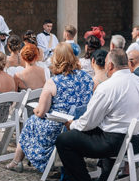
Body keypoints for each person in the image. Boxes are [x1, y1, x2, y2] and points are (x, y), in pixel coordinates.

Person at [54, 49, 139, 181]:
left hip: (118, 143)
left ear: (111, 65)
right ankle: (104, 178)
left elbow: (88, 122)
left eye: (106, 64)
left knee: (64, 140)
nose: (105, 67)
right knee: (106, 127)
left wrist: (72, 124)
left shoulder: (108, 87)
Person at [10, 43, 94, 172]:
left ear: (57, 59)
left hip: (59, 128)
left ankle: (16, 161)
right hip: (81, 125)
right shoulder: (88, 78)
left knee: (31, 122)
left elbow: (41, 112)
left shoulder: (54, 82)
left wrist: (36, 109)